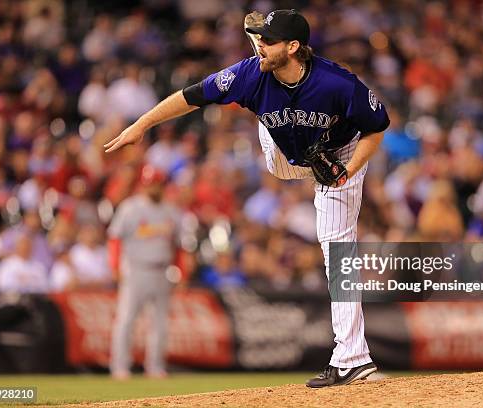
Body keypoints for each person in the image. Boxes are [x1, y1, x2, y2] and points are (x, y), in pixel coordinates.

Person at [104, 9, 389, 387]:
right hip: (281, 157)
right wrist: (141, 124)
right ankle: (268, 96)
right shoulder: (250, 73)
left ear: (294, 47)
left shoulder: (338, 83)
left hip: (339, 157)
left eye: (268, 41)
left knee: (338, 248)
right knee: (270, 125)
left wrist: (347, 172)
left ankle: (353, 358)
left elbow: (377, 128)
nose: (261, 47)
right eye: (258, 38)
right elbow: (191, 97)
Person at [108, 165, 182, 379]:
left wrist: (180, 270)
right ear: (143, 184)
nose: (153, 188)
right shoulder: (130, 208)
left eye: (157, 184)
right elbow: (114, 238)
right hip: (135, 269)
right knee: (126, 319)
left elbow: (178, 245)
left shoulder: (171, 211)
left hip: (162, 270)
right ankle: (120, 367)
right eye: (150, 184)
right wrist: (114, 266)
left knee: (160, 322)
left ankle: (156, 367)